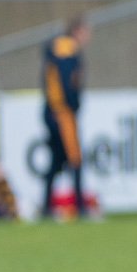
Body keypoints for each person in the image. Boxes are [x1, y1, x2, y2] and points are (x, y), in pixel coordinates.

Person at [41, 16, 90, 219]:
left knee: (56, 161)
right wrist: (73, 104)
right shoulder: (66, 49)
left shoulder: (61, 47)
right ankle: (79, 207)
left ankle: (46, 206)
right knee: (75, 159)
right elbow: (66, 82)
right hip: (61, 113)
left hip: (56, 111)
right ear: (78, 31)